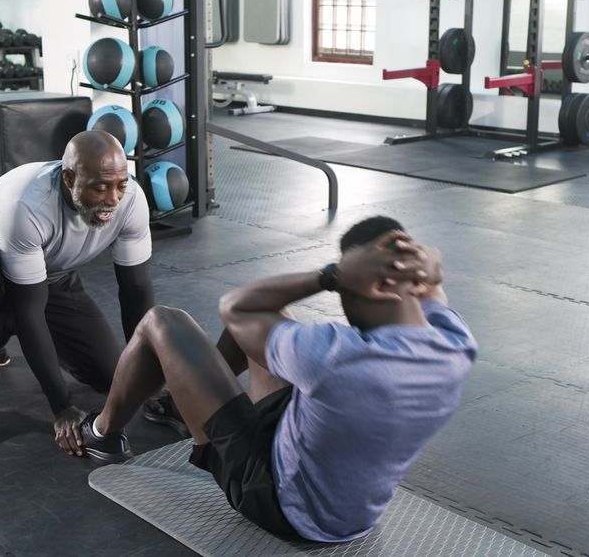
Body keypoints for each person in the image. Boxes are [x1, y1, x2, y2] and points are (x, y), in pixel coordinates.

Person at [74, 216, 477, 542]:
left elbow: (237, 306)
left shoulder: (335, 355)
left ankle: (101, 433)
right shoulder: (455, 344)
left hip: (277, 499)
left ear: (366, 285)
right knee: (263, 330)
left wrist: (330, 274)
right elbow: (434, 294)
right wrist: (427, 272)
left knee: (163, 321)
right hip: (352, 507)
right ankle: (182, 403)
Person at [0, 131, 155, 452]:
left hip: (52, 278)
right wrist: (62, 406)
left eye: (120, 185)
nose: (113, 199)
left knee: (113, 376)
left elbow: (136, 290)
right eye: (100, 187)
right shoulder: (27, 201)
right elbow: (29, 311)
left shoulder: (131, 199)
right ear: (69, 178)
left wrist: (149, 378)